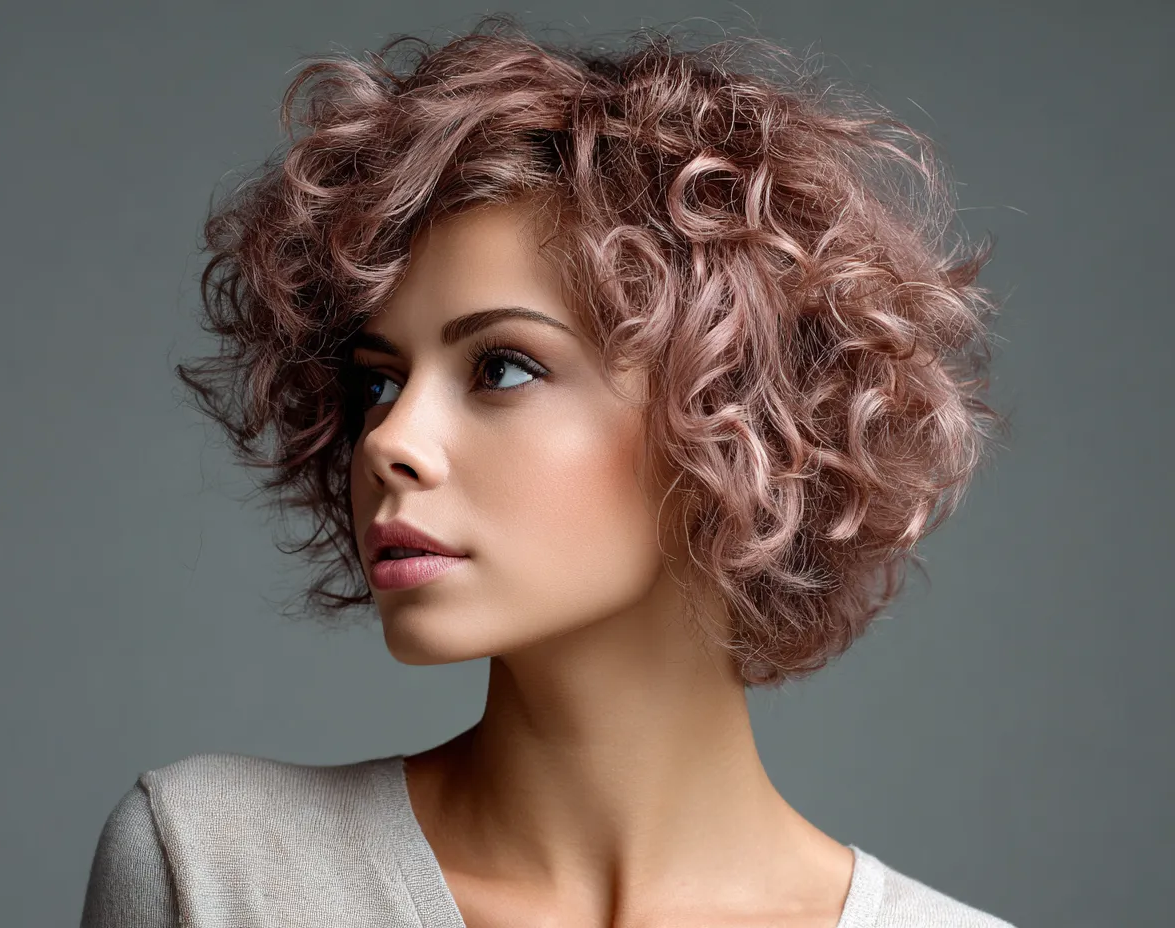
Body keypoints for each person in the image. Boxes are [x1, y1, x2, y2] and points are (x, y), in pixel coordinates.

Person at [81, 15, 1015, 928]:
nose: (387, 441)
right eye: (378, 382)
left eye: (502, 367)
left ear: (737, 416)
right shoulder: (210, 869)